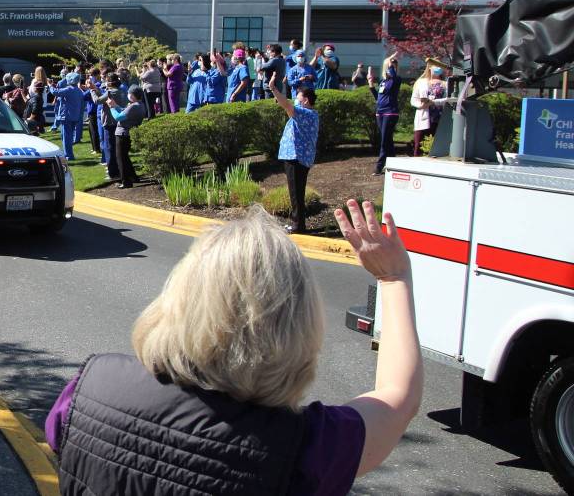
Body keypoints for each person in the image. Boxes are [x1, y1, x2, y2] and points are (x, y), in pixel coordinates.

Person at [46, 200, 421, 495]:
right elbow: (398, 398)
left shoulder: (88, 389)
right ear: (296, 323)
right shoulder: (305, 447)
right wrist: (393, 278)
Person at [271, 72, 319, 234]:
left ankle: (298, 225)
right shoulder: (307, 113)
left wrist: (273, 88)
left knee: (296, 191)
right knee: (297, 191)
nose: (296, 97)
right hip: (298, 157)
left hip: (296, 157)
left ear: (305, 100)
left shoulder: (306, 113)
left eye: (298, 95)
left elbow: (286, 105)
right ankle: (298, 222)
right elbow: (286, 106)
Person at [369, 54, 401, 175]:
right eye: (389, 65)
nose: (391, 67)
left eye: (393, 65)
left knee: (384, 140)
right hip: (380, 112)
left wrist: (391, 65)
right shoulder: (383, 81)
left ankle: (379, 166)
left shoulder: (396, 79)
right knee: (387, 139)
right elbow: (378, 98)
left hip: (390, 112)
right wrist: (371, 85)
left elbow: (393, 75)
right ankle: (393, 163)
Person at [107, 85, 145, 189]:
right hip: (127, 134)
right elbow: (125, 111)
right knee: (125, 157)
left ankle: (126, 181)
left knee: (121, 159)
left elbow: (118, 117)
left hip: (123, 134)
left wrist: (112, 108)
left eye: (129, 93)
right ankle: (133, 177)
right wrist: (116, 105)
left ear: (132, 95)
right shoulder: (139, 105)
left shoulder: (134, 106)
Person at [410, 59, 449, 157]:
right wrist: (421, 105)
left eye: (439, 66)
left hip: (439, 119)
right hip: (423, 117)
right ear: (430, 67)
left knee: (436, 148)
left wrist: (434, 102)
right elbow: (413, 100)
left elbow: (448, 100)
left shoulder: (446, 83)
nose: (438, 68)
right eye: (435, 65)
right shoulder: (421, 82)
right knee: (419, 146)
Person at [95, 73, 126, 180]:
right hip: (119, 122)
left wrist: (92, 90)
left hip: (109, 122)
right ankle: (117, 170)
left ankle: (112, 173)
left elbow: (97, 101)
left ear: (110, 82)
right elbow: (102, 97)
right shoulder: (121, 90)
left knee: (109, 148)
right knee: (115, 148)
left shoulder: (110, 92)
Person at [49, 72, 85, 161]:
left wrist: (50, 85)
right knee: (67, 136)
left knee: (66, 137)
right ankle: (67, 153)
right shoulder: (79, 91)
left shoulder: (68, 89)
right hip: (75, 116)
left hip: (67, 117)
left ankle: (68, 155)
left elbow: (55, 92)